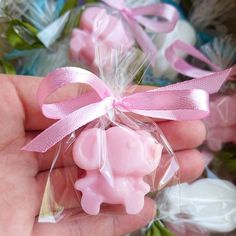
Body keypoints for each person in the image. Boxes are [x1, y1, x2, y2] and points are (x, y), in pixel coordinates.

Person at [0, 74, 206, 236]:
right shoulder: (98, 158)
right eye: (131, 147)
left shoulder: (132, 173)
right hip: (98, 189)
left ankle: (126, 202)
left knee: (136, 195)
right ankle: (92, 201)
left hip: (124, 192)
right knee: (93, 194)